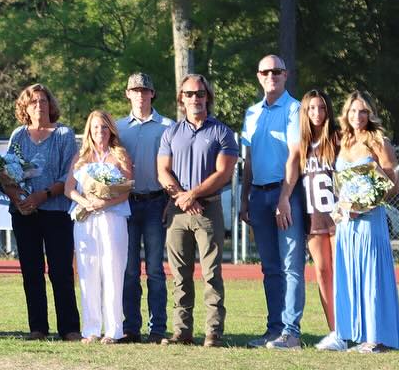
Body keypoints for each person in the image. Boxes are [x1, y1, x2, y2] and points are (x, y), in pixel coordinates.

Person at [156, 74, 238, 347]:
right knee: (180, 275)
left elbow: (224, 172)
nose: (195, 99)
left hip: (208, 209)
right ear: (181, 98)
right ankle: (182, 332)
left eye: (200, 94)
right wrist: (182, 197)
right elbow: (162, 171)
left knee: (211, 274)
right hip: (177, 212)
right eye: (189, 94)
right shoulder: (171, 132)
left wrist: (193, 194)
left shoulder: (222, 132)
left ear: (207, 97)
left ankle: (213, 332)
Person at [329, 91, 399, 352]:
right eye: (353, 111)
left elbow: (393, 185)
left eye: (363, 111)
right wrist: (344, 205)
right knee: (350, 274)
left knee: (372, 276)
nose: (357, 116)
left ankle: (377, 338)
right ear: (346, 113)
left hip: (370, 221)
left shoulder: (379, 141)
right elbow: (341, 182)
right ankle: (357, 334)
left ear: (370, 114)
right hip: (346, 222)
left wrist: (365, 203)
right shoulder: (344, 141)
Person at [240, 54, 306, 349]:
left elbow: (295, 156)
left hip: (285, 193)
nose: (271, 76)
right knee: (270, 267)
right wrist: (244, 199)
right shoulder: (252, 113)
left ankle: (291, 332)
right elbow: (249, 159)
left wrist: (284, 198)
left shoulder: (295, 109)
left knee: (291, 264)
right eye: (265, 72)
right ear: (258, 76)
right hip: (258, 195)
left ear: (286, 74)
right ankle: (274, 329)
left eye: (276, 71)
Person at [6, 84, 80, 341]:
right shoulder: (18, 136)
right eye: (33, 102)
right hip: (24, 213)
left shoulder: (63, 135)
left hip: (56, 211)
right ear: (25, 107)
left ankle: (69, 328)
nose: (39, 106)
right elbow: (5, 173)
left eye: (43, 101)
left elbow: (69, 176)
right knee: (31, 271)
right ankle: (37, 327)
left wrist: (42, 195)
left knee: (61, 271)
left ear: (51, 105)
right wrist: (17, 197)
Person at [278, 90, 342, 350]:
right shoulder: (302, 144)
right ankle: (335, 331)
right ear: (305, 112)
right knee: (323, 273)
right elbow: (291, 171)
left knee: (341, 274)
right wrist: (283, 198)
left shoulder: (338, 139)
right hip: (314, 218)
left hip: (337, 218)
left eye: (322, 108)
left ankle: (350, 327)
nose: (317, 113)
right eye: (312, 108)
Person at [65, 111, 133, 344]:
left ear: (111, 130)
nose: (100, 132)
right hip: (86, 219)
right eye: (95, 127)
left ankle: (113, 330)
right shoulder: (81, 156)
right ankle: (91, 329)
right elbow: (69, 189)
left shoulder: (120, 155)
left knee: (113, 271)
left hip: (113, 218)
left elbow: (126, 190)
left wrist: (105, 202)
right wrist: (85, 202)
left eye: (104, 127)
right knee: (88, 272)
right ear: (89, 131)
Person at [116, 72, 170, 343]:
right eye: (135, 90)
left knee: (156, 270)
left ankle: (157, 328)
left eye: (144, 90)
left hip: (156, 201)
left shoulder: (167, 126)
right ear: (128, 94)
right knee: (129, 271)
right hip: (126, 203)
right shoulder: (118, 128)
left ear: (152, 94)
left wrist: (171, 201)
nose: (140, 95)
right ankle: (131, 327)